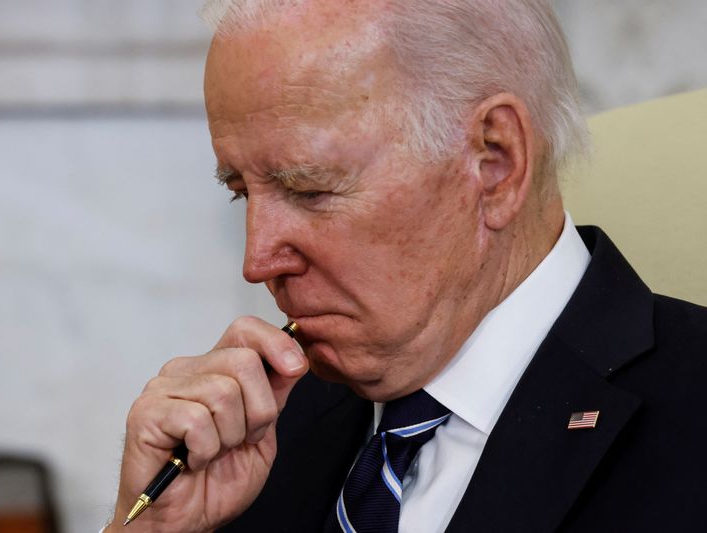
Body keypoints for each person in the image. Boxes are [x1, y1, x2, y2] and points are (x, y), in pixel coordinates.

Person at [105, 1, 707, 531]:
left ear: (494, 161)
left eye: (310, 190)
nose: (257, 261)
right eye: (241, 192)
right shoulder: (249, 438)